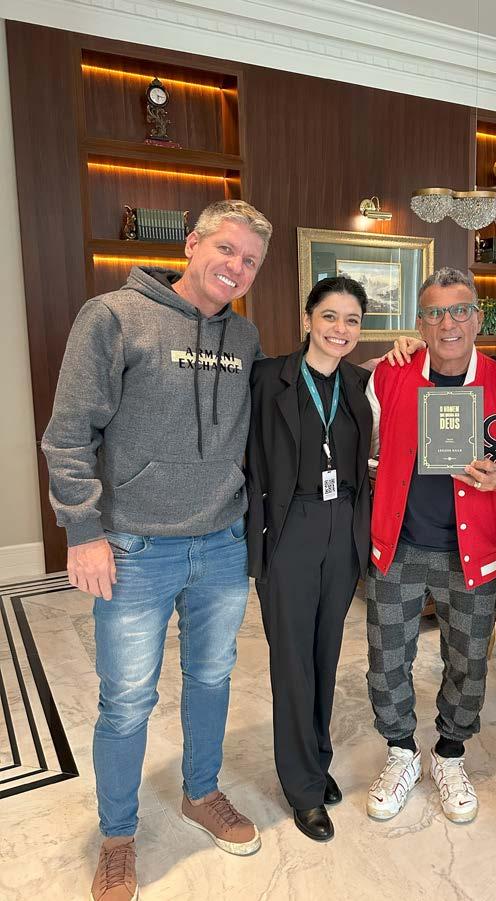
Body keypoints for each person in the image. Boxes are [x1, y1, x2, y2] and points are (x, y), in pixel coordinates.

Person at [42, 200, 273, 901]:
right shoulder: (114, 316)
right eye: (226, 249)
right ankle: (118, 837)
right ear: (192, 244)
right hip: (136, 546)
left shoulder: (245, 336)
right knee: (125, 700)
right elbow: (68, 433)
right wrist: (83, 532)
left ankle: (201, 791)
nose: (236, 267)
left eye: (250, 260)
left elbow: (281, 402)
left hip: (222, 542)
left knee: (212, 677)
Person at [364, 268, 496, 825]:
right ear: (420, 324)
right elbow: (364, 448)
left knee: (468, 662)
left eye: (460, 310)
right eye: (434, 313)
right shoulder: (388, 376)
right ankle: (400, 752)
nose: (448, 323)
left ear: (478, 318)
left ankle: (450, 753)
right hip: (399, 548)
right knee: (387, 660)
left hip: (474, 553)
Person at [245, 276, 373, 843]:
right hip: (289, 526)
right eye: (329, 316)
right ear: (307, 319)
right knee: (293, 660)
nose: (340, 329)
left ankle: (316, 761)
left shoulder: (360, 384)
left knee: (326, 653)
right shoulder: (266, 378)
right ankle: (302, 787)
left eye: (351, 320)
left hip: (343, 526)